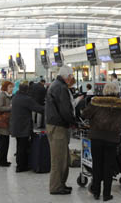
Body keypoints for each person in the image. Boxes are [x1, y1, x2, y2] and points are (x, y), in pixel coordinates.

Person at [82, 83, 121, 202]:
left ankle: (96, 192)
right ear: (117, 91)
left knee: (97, 165)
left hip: (96, 137)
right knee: (108, 167)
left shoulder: (96, 101)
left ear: (105, 90)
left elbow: (84, 114)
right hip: (112, 138)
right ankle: (106, 194)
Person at [46, 65, 76, 195]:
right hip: (58, 126)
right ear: (67, 76)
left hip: (55, 125)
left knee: (62, 157)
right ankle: (56, 187)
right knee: (58, 159)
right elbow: (65, 110)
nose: (72, 79)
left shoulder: (55, 85)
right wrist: (74, 122)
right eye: (71, 76)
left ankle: (61, 184)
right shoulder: (61, 87)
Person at [10, 81, 44, 172]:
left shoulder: (15, 97)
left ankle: (20, 164)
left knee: (19, 145)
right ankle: (21, 166)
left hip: (16, 126)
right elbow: (38, 108)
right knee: (23, 146)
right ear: (27, 90)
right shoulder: (26, 99)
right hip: (23, 126)